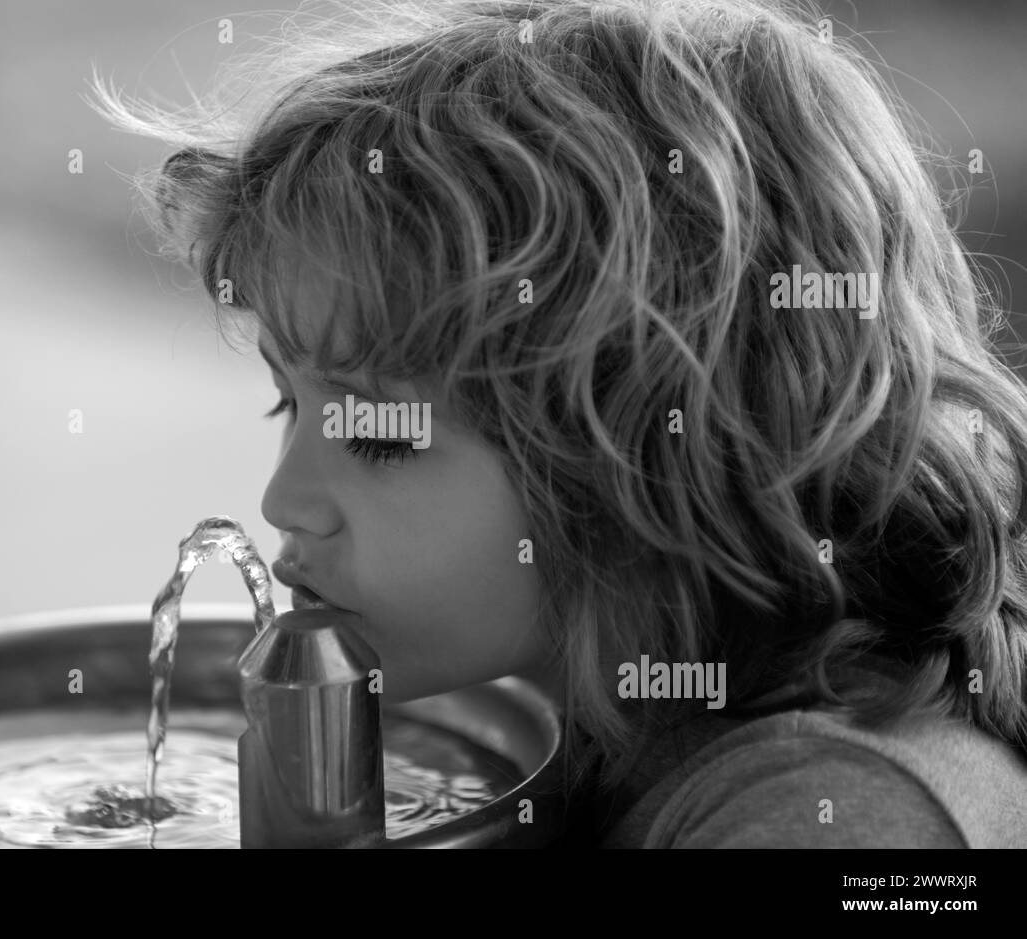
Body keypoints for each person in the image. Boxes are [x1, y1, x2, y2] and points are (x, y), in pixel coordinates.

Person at [90, 0, 1027, 846]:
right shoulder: (602, 693)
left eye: (381, 431)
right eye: (289, 403)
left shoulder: (842, 818)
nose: (284, 500)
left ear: (651, 463)